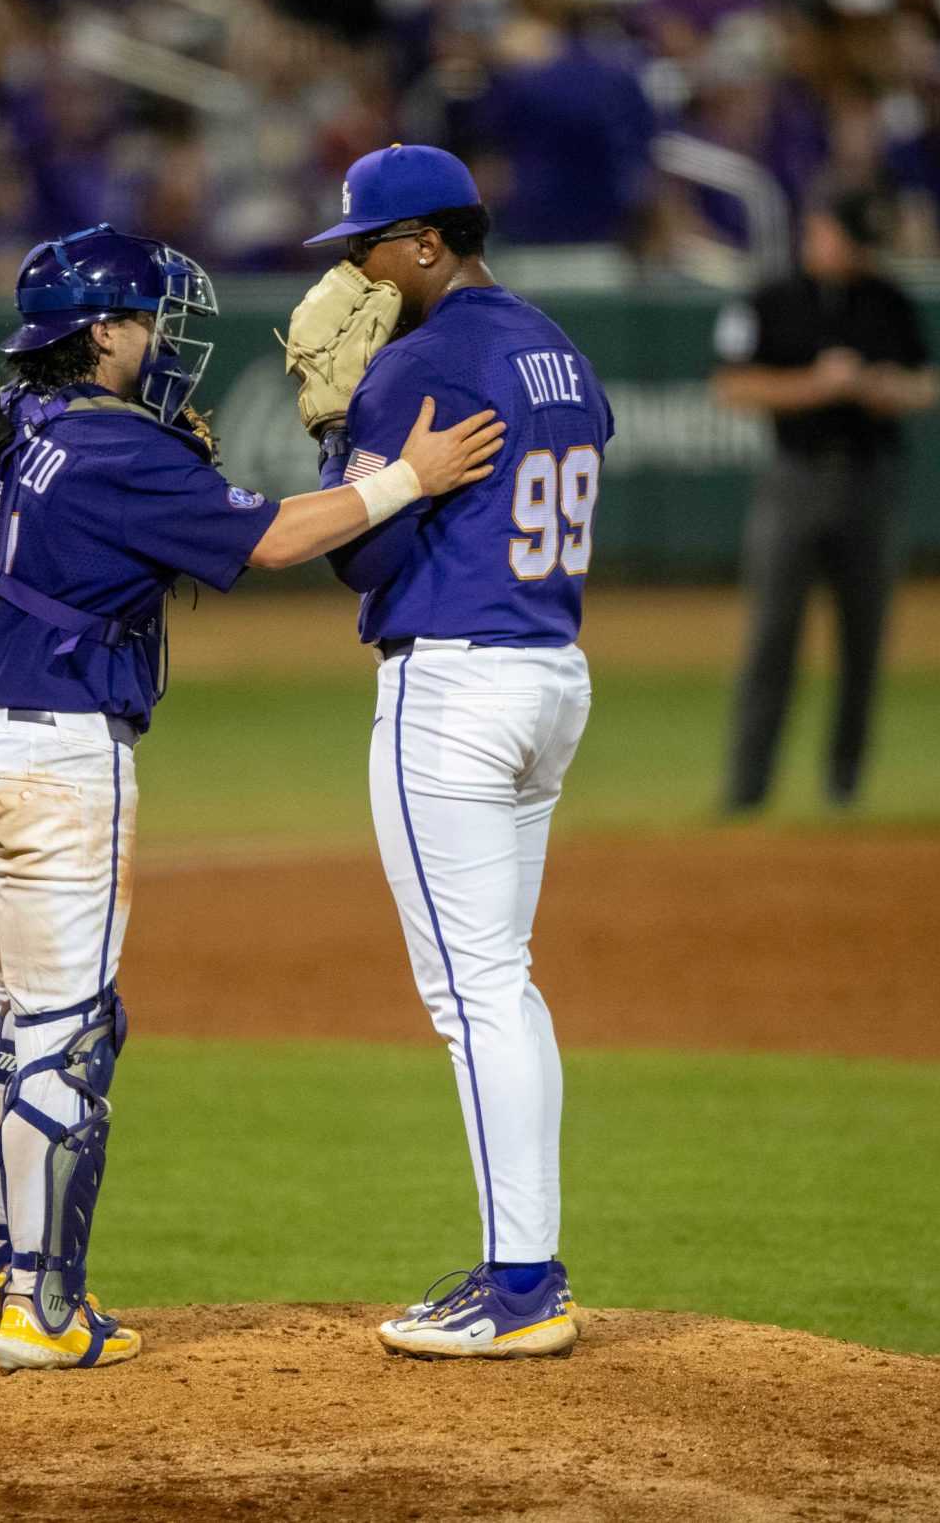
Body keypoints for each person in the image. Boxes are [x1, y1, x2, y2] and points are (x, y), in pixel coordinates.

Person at [0, 223, 504, 1374]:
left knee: (12, 1019)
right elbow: (283, 538)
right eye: (146, 319)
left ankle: (3, 1273)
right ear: (101, 333)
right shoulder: (118, 453)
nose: (160, 338)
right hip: (56, 762)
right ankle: (43, 1310)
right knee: (65, 1035)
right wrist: (407, 477)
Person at [290, 145, 613, 1359]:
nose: (353, 276)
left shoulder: (417, 364)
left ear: (426, 242)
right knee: (503, 981)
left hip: (453, 691)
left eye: (366, 248)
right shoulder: (559, 349)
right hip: (549, 675)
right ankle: (524, 1262)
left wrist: (338, 434)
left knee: (471, 993)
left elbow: (359, 557)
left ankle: (521, 1282)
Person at [710, 190, 940, 814]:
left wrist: (875, 386)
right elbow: (731, 385)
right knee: (770, 642)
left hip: (871, 481)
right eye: (832, 232)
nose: (832, 245)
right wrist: (818, 385)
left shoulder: (887, 299)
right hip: (795, 479)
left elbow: (927, 385)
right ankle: (746, 792)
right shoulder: (774, 298)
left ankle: (844, 790)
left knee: (863, 644)